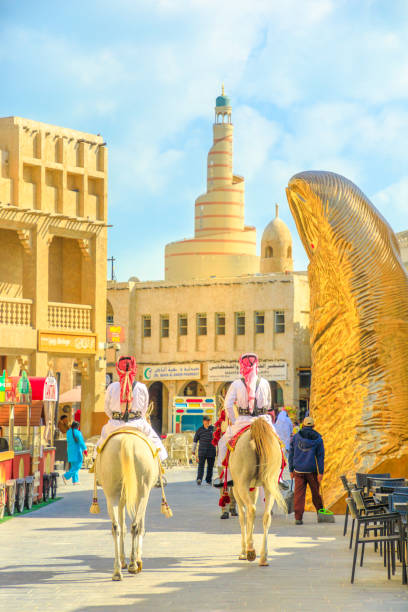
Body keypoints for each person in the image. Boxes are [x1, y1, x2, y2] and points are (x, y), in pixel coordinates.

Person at [213, 353, 277, 488]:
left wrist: (235, 420)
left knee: (222, 444)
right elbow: (269, 403)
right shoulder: (265, 383)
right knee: (278, 443)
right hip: (263, 420)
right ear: (257, 365)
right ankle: (280, 476)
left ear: (241, 366)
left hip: (243, 421)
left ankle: (227, 476)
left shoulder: (236, 384)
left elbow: (228, 405)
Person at [96, 356, 167, 461]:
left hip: (114, 425)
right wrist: (135, 418)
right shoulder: (142, 387)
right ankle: (160, 466)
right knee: (156, 443)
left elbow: (106, 408)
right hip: (138, 424)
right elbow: (144, 410)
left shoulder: (111, 387)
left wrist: (117, 417)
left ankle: (95, 462)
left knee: (100, 443)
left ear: (118, 369)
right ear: (134, 369)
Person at [288, 416, 324, 525]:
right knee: (315, 493)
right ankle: (321, 514)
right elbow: (320, 457)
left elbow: (291, 454)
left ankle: (298, 518)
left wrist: (291, 470)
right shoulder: (318, 438)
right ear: (313, 426)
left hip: (298, 470)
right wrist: (321, 472)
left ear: (303, 425)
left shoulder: (295, 437)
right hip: (311, 471)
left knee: (299, 495)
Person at [192, 416, 216, 485]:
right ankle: (199, 479)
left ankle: (208, 480)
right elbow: (195, 441)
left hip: (211, 451)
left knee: (210, 467)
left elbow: (217, 438)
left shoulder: (213, 429)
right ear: (203, 421)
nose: (207, 422)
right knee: (201, 465)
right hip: (202, 451)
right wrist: (193, 451)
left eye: (209, 421)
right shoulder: (199, 430)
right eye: (206, 421)